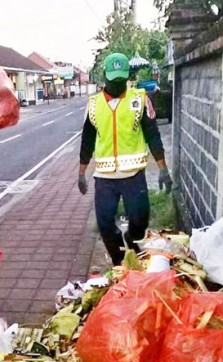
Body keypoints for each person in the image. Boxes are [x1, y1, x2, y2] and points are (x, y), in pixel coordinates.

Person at [78, 53, 173, 266]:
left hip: (133, 175)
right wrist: (81, 173)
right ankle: (120, 262)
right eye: (113, 79)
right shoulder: (93, 105)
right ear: (105, 77)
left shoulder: (139, 100)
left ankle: (131, 238)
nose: (117, 83)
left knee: (140, 218)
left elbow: (153, 136)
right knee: (104, 224)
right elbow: (87, 141)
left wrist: (163, 169)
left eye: (121, 79)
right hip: (104, 177)